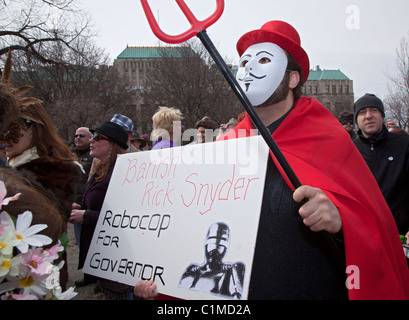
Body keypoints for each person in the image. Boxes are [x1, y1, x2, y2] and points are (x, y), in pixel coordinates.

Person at [135, 20, 409, 300]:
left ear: (292, 79)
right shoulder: (225, 146)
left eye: (265, 59)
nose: (250, 69)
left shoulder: (327, 139)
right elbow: (196, 229)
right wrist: (161, 278)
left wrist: (341, 221)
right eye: (243, 63)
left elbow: (375, 225)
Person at [0, 84, 81, 290]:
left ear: (34, 128)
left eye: (11, 129)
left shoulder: (58, 170)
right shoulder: (13, 165)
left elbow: (46, 229)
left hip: (36, 276)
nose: (3, 139)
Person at [69, 121, 130, 298]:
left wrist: (86, 215)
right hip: (100, 254)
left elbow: (125, 218)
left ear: (112, 144)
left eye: (97, 137)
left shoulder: (122, 173)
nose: (91, 141)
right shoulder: (100, 169)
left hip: (116, 258)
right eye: (92, 136)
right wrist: (80, 207)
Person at [353, 93, 409, 236]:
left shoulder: (404, 144)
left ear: (382, 115)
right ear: (357, 120)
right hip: (365, 235)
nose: (368, 116)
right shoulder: (350, 151)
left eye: (374, 110)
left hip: (400, 235)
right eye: (362, 112)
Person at [178, 222, 245, 299]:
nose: (216, 246)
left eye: (222, 240)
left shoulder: (231, 271)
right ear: (206, 242)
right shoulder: (192, 271)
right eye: (212, 239)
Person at [72, 127, 93, 246]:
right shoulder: (70, 155)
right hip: (74, 206)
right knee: (80, 243)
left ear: (90, 138)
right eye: (76, 136)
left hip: (87, 207)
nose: (78, 138)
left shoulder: (93, 156)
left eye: (82, 135)